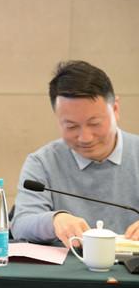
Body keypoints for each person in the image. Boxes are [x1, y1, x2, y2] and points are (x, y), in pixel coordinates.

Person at [11, 60, 139, 246]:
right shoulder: (42, 162)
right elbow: (21, 224)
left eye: (94, 123)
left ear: (115, 109)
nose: (85, 137)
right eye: (71, 126)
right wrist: (54, 220)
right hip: (67, 263)